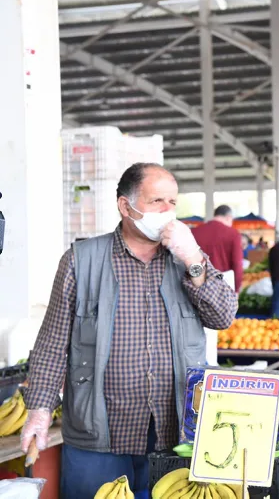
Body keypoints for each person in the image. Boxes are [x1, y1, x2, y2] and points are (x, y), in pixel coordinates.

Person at [20, 163, 237, 498]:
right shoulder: (81, 261)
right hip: (99, 436)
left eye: (173, 202)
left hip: (174, 434)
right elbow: (52, 342)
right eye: (157, 201)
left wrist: (194, 259)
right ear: (126, 206)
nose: (167, 211)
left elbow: (223, 316)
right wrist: (39, 409)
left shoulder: (187, 258)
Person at [191, 205, 244, 292]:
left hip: (198, 287)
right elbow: (237, 264)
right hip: (223, 288)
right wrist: (237, 289)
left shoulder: (194, 232)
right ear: (228, 217)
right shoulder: (233, 234)